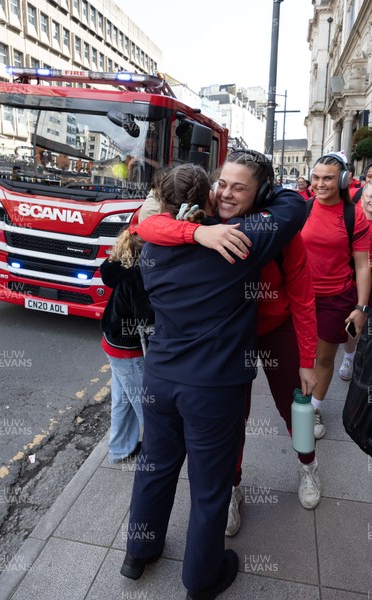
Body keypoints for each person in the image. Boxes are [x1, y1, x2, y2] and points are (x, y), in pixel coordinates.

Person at [120, 162, 307, 600]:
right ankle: (202, 579)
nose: (224, 193)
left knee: (153, 467)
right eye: (219, 186)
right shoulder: (238, 243)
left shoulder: (150, 243)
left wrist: (190, 227)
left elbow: (153, 223)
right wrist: (258, 196)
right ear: (206, 197)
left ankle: (137, 552)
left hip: (160, 378)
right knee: (210, 487)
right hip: (211, 387)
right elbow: (294, 206)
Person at [137, 150, 320, 525]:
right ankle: (232, 487)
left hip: (274, 330)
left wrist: (307, 359)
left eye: (240, 188)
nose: (225, 194)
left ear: (262, 194)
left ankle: (307, 466)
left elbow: (303, 300)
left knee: (295, 409)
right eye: (222, 184)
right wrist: (198, 231)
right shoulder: (200, 223)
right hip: (229, 341)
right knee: (231, 420)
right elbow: (147, 226)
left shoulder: (279, 234)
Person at [301, 152, 370, 439]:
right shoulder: (301, 208)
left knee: (323, 357)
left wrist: (361, 308)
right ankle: (302, 398)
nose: (319, 184)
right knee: (301, 356)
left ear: (343, 180)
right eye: (316, 177)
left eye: (328, 178)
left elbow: (363, 264)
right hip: (300, 297)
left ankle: (314, 408)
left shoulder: (355, 216)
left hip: (335, 298)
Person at [99, 228, 154, 463]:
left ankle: (120, 449)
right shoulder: (137, 275)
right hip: (129, 350)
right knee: (146, 405)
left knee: (122, 401)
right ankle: (156, 454)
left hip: (113, 342)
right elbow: (148, 318)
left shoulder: (121, 264)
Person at [338, 181, 372, 380]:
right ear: (362, 197)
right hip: (354, 280)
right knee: (354, 321)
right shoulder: (352, 216)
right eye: (369, 196)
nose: (371, 201)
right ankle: (349, 357)